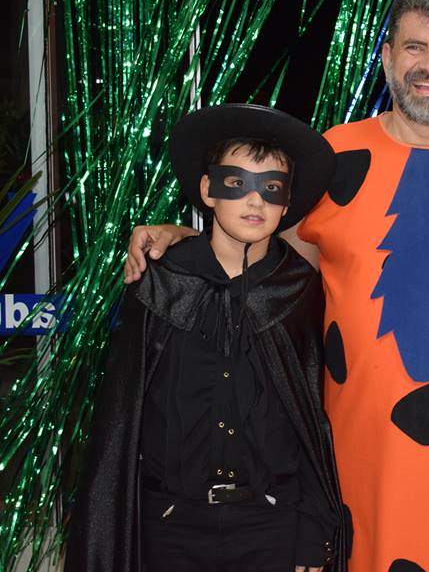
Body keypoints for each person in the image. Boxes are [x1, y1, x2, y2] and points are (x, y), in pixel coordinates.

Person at [123, 0, 429, 570]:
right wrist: (183, 236)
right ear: (387, 57)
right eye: (415, 47)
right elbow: (266, 256)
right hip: (356, 437)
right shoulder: (334, 158)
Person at [68, 104, 348, 571]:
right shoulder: (161, 282)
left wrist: (312, 532)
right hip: (170, 527)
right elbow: (120, 417)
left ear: (287, 202)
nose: (255, 202)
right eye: (236, 183)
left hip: (270, 527)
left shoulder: (298, 290)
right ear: (208, 190)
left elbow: (311, 417)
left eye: (271, 188)